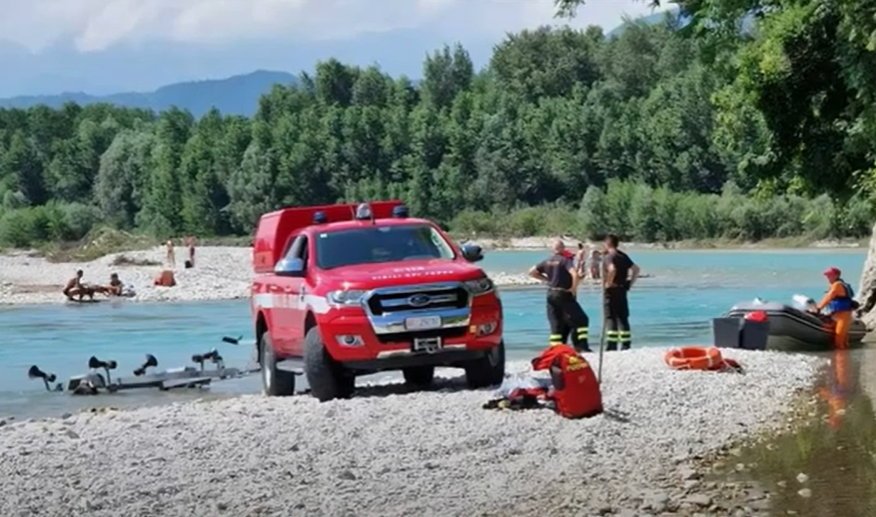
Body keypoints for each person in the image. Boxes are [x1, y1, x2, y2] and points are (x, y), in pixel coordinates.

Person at [528, 239, 592, 353]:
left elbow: (531, 272)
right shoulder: (564, 260)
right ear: (562, 248)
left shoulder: (547, 260)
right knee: (582, 319)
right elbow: (575, 275)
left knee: (556, 323)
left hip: (551, 294)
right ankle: (581, 347)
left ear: (553, 249)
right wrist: (573, 288)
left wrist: (547, 280)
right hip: (563, 293)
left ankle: (556, 349)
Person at [603, 234, 640, 351]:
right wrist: (630, 283)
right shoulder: (623, 256)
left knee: (610, 317)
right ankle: (626, 344)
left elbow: (612, 269)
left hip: (611, 290)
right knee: (622, 317)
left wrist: (608, 283)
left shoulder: (609, 256)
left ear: (607, 244)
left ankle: (612, 345)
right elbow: (636, 269)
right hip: (622, 289)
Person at [812, 267, 857, 349]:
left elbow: (828, 297)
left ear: (836, 275)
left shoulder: (837, 285)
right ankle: (842, 358)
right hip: (836, 315)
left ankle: (841, 360)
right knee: (840, 340)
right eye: (827, 275)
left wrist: (818, 308)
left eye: (830, 275)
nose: (827, 277)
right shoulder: (833, 285)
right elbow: (827, 298)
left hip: (843, 315)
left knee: (839, 340)